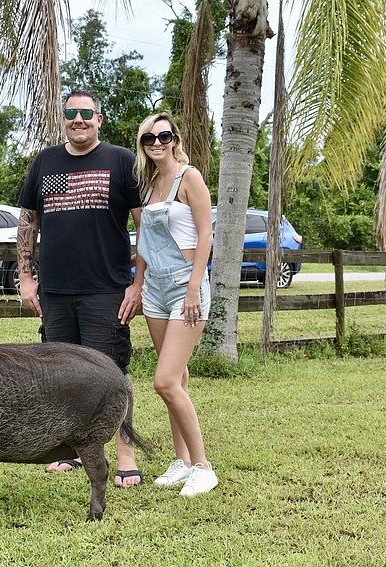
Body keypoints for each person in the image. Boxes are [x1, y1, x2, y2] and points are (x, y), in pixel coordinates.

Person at [16, 89, 145, 487]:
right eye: (71, 113)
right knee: (59, 374)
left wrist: (137, 284)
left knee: (111, 372)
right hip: (55, 291)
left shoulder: (121, 161)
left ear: (99, 119)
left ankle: (125, 453)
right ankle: (69, 450)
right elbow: (28, 222)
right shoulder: (46, 162)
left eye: (86, 113)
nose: (78, 120)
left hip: (106, 289)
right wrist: (26, 277)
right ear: (64, 118)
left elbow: (147, 229)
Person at [133, 112, 218, 496]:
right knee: (178, 379)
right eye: (148, 138)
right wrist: (138, 285)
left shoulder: (190, 177)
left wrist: (194, 287)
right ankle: (182, 462)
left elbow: (205, 235)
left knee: (164, 381)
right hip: (155, 288)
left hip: (186, 283)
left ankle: (203, 467)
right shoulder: (149, 184)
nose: (156, 143)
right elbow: (143, 246)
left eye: (163, 136)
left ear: (174, 139)